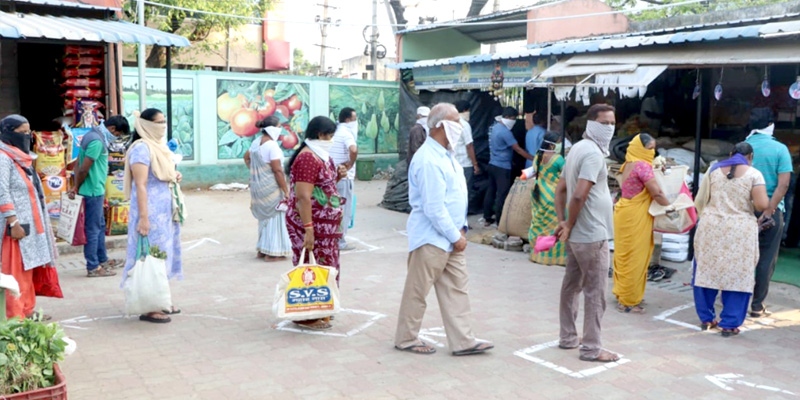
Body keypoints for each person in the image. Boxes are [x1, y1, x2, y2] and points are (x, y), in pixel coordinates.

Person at [394, 103, 493, 356]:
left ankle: (463, 341)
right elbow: (433, 208)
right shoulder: (428, 159)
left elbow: (453, 198)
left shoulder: (447, 155)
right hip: (432, 238)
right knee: (417, 290)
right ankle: (406, 338)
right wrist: (454, 235)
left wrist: (460, 231)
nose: (460, 128)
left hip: (452, 236)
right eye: (455, 121)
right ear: (439, 126)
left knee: (457, 290)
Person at [554, 104, 619, 363]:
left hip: (579, 234)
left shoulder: (577, 149)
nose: (609, 128)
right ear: (591, 124)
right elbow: (578, 193)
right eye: (604, 123)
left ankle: (568, 337)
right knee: (595, 292)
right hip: (591, 234)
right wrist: (567, 224)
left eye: (612, 123)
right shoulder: (592, 154)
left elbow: (561, 190)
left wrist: (564, 222)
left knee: (571, 286)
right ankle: (592, 348)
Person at [693, 142, 769, 336]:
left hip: (711, 226)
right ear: (750, 156)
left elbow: (701, 198)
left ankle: (707, 319)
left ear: (730, 154)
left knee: (706, 270)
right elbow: (761, 204)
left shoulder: (713, 170)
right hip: (739, 230)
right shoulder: (754, 174)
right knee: (738, 275)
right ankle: (729, 323)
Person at [121, 108, 184, 324]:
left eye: (165, 121)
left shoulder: (159, 147)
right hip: (149, 214)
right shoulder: (141, 149)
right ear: (146, 125)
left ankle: (162, 300)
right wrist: (144, 218)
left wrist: (173, 175)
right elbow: (140, 184)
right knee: (149, 256)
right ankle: (150, 307)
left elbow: (161, 174)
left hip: (164, 214)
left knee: (162, 256)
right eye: (158, 122)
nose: (163, 125)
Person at [286, 116, 346, 331]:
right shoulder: (307, 158)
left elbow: (320, 190)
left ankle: (321, 309)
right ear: (320, 135)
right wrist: (309, 229)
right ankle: (305, 314)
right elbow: (303, 197)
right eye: (330, 136)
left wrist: (338, 176)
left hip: (326, 227)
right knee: (310, 267)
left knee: (326, 266)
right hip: (311, 224)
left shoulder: (321, 155)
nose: (331, 140)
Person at [0, 115, 59, 320]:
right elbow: (2, 191)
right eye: (22, 132)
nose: (27, 136)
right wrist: (13, 221)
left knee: (28, 268)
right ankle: (15, 314)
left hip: (30, 224)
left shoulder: (22, 157)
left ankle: (27, 309)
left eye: (28, 132)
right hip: (14, 227)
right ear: (8, 132)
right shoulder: (3, 157)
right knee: (14, 271)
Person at [611, 134, 671, 314]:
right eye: (649, 148)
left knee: (624, 255)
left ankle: (622, 293)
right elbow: (657, 193)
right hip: (636, 215)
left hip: (624, 212)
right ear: (640, 148)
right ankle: (629, 301)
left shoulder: (628, 163)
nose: (651, 152)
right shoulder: (643, 166)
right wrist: (672, 207)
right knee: (636, 256)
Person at [745, 108, 792, 318]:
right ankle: (757, 305)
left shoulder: (743, 147)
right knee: (765, 259)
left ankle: (734, 300)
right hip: (771, 212)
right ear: (771, 125)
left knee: (741, 256)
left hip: (745, 211)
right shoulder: (780, 149)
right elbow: (783, 184)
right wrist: (770, 209)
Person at [70, 116, 130, 277]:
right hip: (92, 191)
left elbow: (77, 163)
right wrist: (76, 187)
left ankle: (102, 259)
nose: (117, 138)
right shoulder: (97, 141)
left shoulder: (92, 134)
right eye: (117, 135)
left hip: (96, 190)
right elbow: (83, 168)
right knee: (93, 229)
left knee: (100, 226)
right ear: (112, 129)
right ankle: (93, 266)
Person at [244, 116, 291, 262]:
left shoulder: (256, 143)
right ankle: (273, 253)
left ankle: (262, 250)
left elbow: (246, 158)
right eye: (279, 126)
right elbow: (277, 170)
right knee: (275, 216)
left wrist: (257, 173)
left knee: (264, 217)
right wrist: (286, 190)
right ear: (273, 129)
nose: (280, 129)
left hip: (258, 187)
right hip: (271, 187)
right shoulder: (272, 146)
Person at [482, 107, 533, 226]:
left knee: (491, 190)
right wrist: (533, 158)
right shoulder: (505, 132)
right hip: (502, 167)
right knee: (502, 193)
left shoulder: (495, 127)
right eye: (514, 119)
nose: (514, 121)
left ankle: (487, 217)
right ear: (509, 118)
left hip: (492, 164)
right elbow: (518, 149)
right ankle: (500, 221)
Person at [528, 131, 566, 266]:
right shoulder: (558, 159)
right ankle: (553, 256)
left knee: (540, 223)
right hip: (553, 195)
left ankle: (538, 253)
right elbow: (566, 174)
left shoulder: (538, 156)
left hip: (539, 192)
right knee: (555, 225)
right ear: (552, 145)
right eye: (558, 142)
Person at [330, 107, 358, 251]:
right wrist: (350, 164)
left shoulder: (334, 131)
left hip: (332, 175)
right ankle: (339, 241)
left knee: (333, 207)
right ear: (347, 120)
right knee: (343, 209)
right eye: (354, 119)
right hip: (344, 177)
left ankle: (332, 238)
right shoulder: (347, 133)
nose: (355, 122)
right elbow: (353, 150)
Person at [453, 100, 480, 189]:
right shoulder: (464, 125)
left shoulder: (450, 123)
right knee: (465, 189)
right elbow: (469, 146)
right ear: (465, 110)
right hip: (465, 164)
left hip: (453, 163)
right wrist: (475, 164)